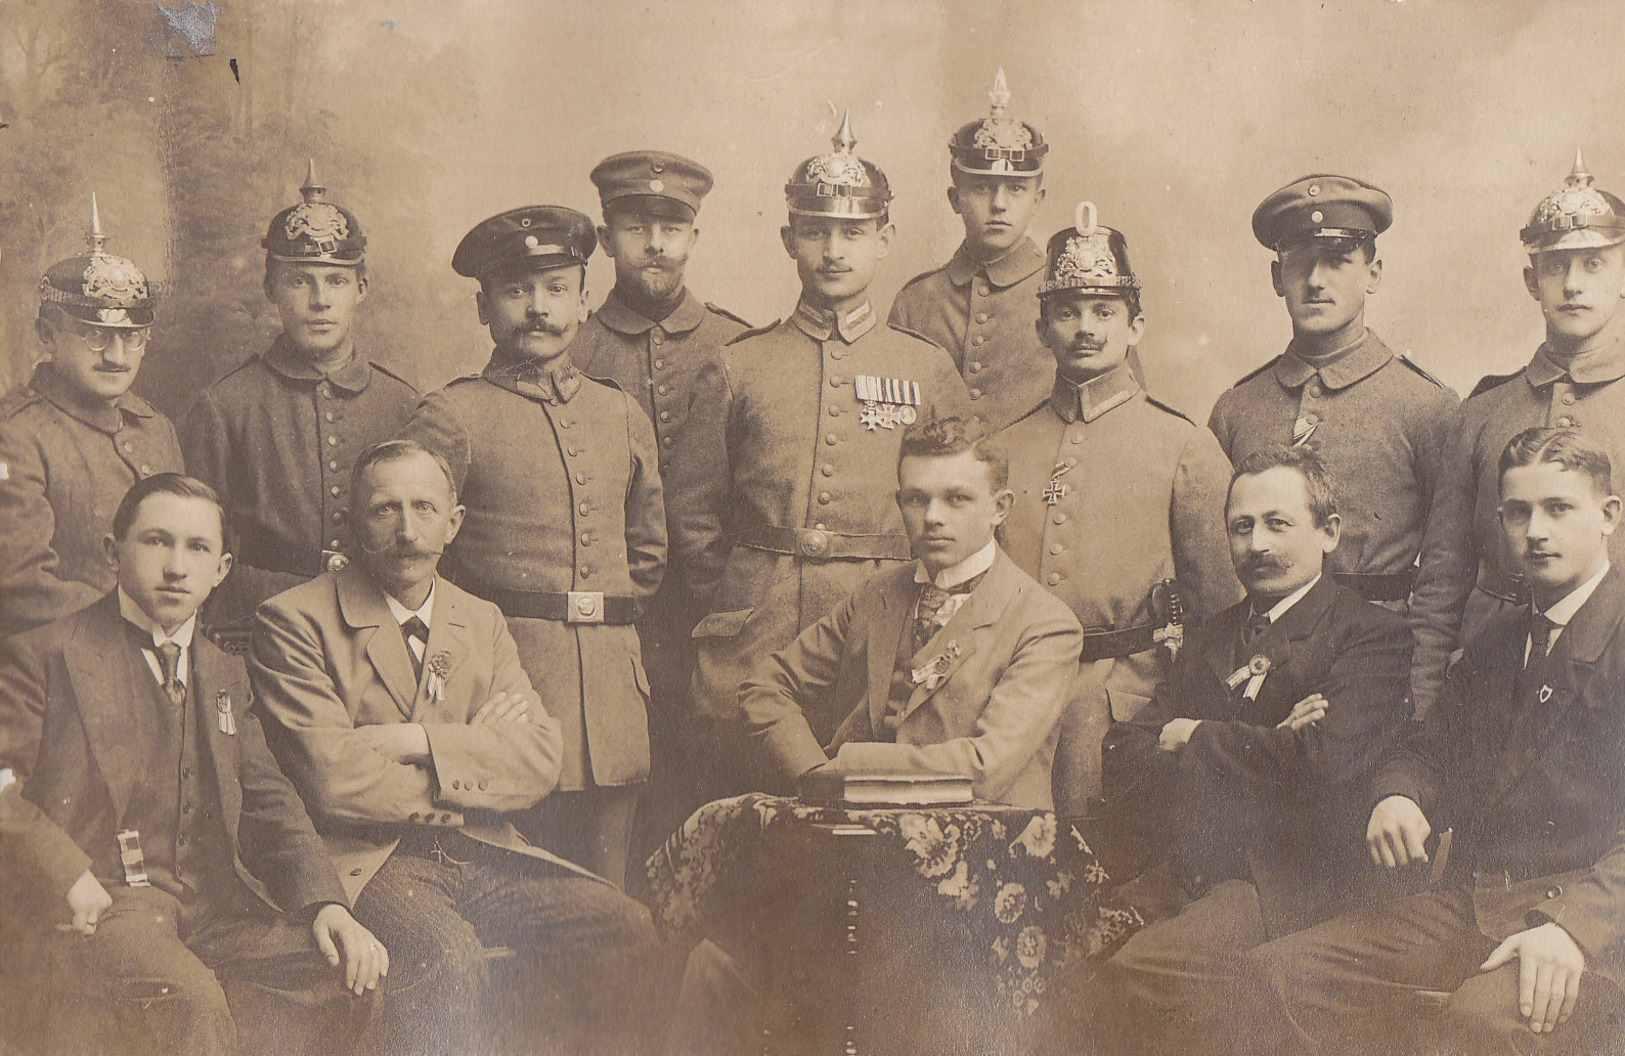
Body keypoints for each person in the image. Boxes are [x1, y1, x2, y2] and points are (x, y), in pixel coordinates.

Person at [250, 439, 660, 1055]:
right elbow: (333, 780)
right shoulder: (295, 620)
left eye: (423, 508)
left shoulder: (481, 620)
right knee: (446, 955)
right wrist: (475, 752)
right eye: (385, 510)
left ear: (454, 522)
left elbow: (541, 759)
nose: (407, 531)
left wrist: (415, 739)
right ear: (355, 525)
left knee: (623, 926)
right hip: (370, 861)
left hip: (481, 847)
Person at [1247, 427, 1625, 1054]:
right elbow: (1428, 751)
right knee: (1281, 977)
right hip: (1482, 905)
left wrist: (1573, 928)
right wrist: (1402, 795)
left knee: (1479, 1023)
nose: (1535, 531)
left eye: (1559, 508)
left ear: (1609, 515)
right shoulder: (1502, 640)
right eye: (1517, 512)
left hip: (1596, 924)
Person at [0, 474, 384, 1055]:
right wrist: (65, 873)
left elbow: (266, 796)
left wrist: (326, 902)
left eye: (197, 548)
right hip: (108, 903)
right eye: (157, 542)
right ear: (114, 551)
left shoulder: (222, 668)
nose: (177, 567)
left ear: (222, 569)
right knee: (192, 1008)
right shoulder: (45, 655)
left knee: (349, 978)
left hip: (214, 905)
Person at [666, 111, 971, 798]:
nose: (834, 249)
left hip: (881, 631)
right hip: (754, 631)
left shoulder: (925, 368)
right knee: (745, 823)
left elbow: (961, 507)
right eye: (816, 230)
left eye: (853, 232)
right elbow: (691, 513)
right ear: (789, 240)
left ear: (883, 239)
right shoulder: (737, 366)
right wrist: (742, 595)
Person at [1082, 447, 1413, 1054]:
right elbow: (1125, 750)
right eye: (1242, 527)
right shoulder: (1213, 635)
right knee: (1070, 953)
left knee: (1139, 976)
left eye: (1278, 524)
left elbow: (1326, 763)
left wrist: (1195, 733)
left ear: (1329, 532)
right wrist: (1274, 741)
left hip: (1293, 879)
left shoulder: (1370, 634)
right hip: (1192, 864)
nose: (1256, 544)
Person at [398, 205, 665, 888]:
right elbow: (411, 559)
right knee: (521, 898)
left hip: (612, 697)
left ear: (582, 299)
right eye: (516, 292)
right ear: (483, 307)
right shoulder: (452, 415)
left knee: (612, 898)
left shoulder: (619, 412)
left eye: (554, 289)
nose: (537, 309)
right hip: (506, 693)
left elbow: (649, 550)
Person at [994, 204, 1238, 812]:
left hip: (1126, 708)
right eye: (1067, 311)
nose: (1086, 328)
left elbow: (1225, 612)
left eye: (1105, 311)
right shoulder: (1002, 448)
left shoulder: (1184, 445)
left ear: (1136, 326)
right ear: (1041, 328)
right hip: (1009, 702)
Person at [741, 416, 1083, 810]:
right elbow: (765, 687)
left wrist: (846, 765)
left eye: (957, 498)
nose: (933, 517)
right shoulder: (877, 594)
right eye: (917, 499)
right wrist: (811, 771)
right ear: (899, 502)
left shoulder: (1046, 626)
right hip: (857, 836)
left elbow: (984, 767)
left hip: (987, 846)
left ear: (1000, 508)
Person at [569, 149, 750, 864]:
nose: (654, 243)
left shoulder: (739, 345)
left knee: (711, 808)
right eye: (636, 225)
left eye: (671, 227)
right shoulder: (572, 349)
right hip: (609, 620)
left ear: (693, 238)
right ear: (606, 235)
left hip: (717, 617)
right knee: (612, 814)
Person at [1410, 152, 1625, 715]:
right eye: (1555, 267)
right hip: (1488, 678)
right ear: (1533, 281)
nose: (1572, 285)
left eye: (1594, 265)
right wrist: (1426, 703)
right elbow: (1441, 582)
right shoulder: (1482, 412)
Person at [181, 162, 417, 648]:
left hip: (378, 627)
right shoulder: (225, 406)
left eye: (335, 281)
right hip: (258, 628)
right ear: (271, 289)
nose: (319, 300)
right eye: (299, 281)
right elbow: (197, 550)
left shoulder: (402, 404)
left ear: (362, 290)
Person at [1208, 174, 1458, 608]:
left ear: (1373, 273)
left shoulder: (1426, 406)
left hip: (1382, 651)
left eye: (1337, 260)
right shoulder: (1237, 408)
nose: (1316, 280)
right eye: (1300, 262)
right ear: (1276, 277)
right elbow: (1211, 558)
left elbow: (1450, 562)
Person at [0, 196, 183, 638]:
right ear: (48, 334)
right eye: (94, 335)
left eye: (131, 337)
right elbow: (20, 586)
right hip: (57, 667)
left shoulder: (156, 428)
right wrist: (137, 628)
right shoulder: (16, 435)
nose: (117, 356)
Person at [887, 69, 1060, 431]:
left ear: (1037, 200)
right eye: (982, 188)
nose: (999, 204)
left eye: (1015, 190)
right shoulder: (916, 302)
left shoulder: (1065, 293)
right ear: (955, 198)